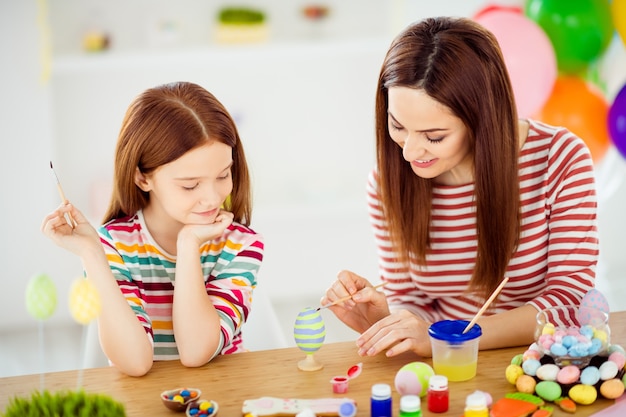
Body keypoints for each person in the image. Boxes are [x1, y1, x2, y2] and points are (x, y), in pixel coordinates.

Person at [321, 17, 598, 359]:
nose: (408, 152)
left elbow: (570, 303)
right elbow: (412, 300)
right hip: (444, 366)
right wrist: (390, 321)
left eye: (434, 136)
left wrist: (451, 337)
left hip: (540, 365)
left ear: (483, 119)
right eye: (398, 126)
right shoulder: (385, 182)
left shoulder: (559, 159)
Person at [41, 81, 264, 376]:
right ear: (142, 178)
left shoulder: (241, 244)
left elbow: (197, 351)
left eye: (224, 175)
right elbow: (135, 363)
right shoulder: (115, 245)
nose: (213, 198)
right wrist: (91, 253)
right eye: (190, 184)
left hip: (224, 394)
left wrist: (188, 245)